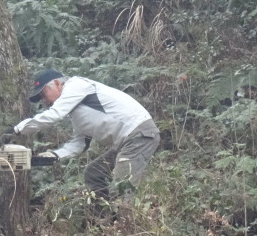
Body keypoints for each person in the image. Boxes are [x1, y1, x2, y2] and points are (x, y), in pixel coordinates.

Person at [11, 69, 160, 197]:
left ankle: (124, 225)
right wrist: (54, 156)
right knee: (94, 173)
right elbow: (80, 144)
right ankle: (105, 221)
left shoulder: (76, 85)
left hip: (139, 135)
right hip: (126, 141)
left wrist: (17, 129)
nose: (44, 100)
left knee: (122, 188)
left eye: (44, 94)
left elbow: (54, 115)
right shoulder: (76, 111)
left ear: (57, 83)